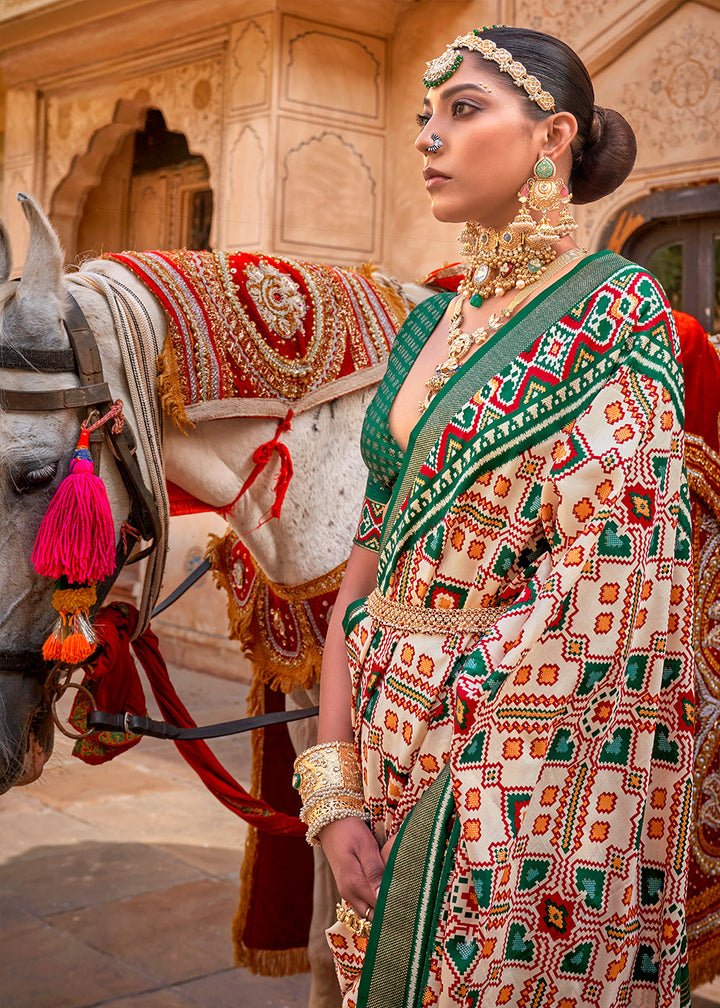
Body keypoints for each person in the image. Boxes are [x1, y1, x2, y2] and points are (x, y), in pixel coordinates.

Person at [293, 25, 694, 1008]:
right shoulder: (428, 321)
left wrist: (455, 793)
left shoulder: (615, 310)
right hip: (379, 748)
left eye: (463, 111)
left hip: (514, 768)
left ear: (552, 140)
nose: (429, 137)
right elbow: (362, 580)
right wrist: (334, 788)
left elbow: (617, 603)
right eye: (426, 115)